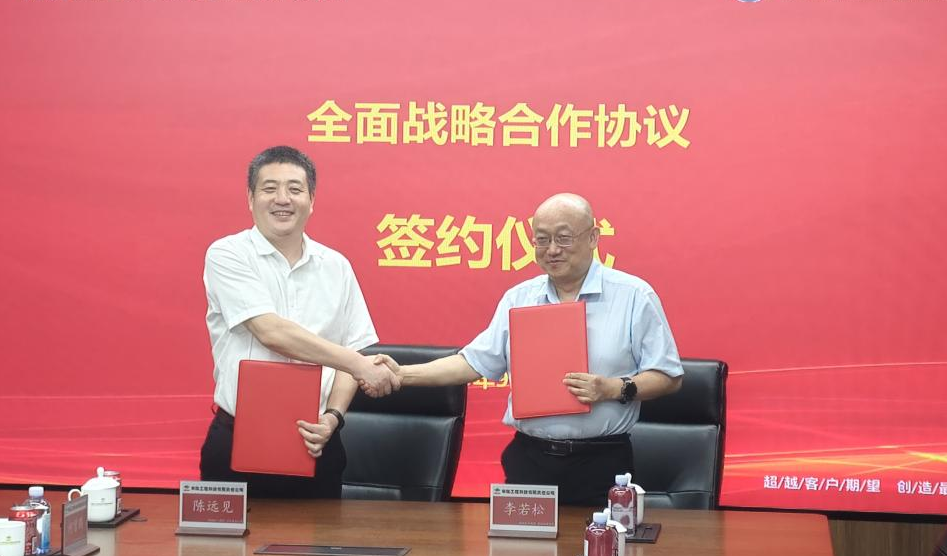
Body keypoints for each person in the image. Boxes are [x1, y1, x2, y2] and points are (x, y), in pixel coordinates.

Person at [394, 192, 683, 505]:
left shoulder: (633, 295)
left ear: (593, 237)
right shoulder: (519, 298)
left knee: (600, 536)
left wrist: (612, 388)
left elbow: (668, 376)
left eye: (563, 238)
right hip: (529, 461)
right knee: (520, 538)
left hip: (602, 462)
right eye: (542, 240)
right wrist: (400, 374)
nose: (552, 250)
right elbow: (473, 363)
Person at [199, 145, 399, 497]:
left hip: (316, 443)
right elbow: (271, 332)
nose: (282, 199)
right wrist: (359, 365)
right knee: (227, 536)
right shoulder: (228, 254)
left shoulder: (336, 266)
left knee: (319, 535)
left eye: (295, 189)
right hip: (238, 441)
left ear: (311, 200)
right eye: (269, 188)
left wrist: (333, 417)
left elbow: (352, 349)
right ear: (250, 198)